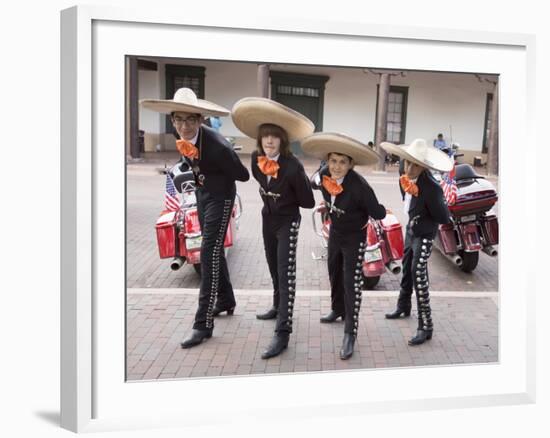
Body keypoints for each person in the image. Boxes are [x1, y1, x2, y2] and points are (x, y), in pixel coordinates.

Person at [141, 88, 250, 348]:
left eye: (190, 120)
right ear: (172, 120)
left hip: (222, 198)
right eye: (179, 120)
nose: (184, 125)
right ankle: (225, 299)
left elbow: (242, 175)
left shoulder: (219, 146)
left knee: (208, 252)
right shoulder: (184, 138)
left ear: (200, 119)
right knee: (211, 250)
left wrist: (218, 167)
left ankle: (202, 324)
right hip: (201, 196)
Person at [231, 97, 316, 359]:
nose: (269, 141)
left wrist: (291, 188)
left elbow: (308, 202)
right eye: (265, 136)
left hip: (288, 221)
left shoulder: (293, 167)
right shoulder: (256, 158)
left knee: (285, 272)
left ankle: (283, 332)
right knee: (272, 266)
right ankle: (277, 306)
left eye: (274, 137)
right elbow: (260, 180)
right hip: (268, 218)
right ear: (260, 140)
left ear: (282, 141)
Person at [302, 133, 386, 360]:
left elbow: (377, 212)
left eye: (342, 162)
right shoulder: (324, 174)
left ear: (351, 164)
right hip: (336, 233)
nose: (336, 167)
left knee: (352, 283)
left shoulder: (360, 187)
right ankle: (337, 309)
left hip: (355, 237)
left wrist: (378, 207)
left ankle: (350, 332)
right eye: (333, 161)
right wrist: (319, 179)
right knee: (333, 271)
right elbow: (311, 182)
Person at [380, 139, 453, 345]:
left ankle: (425, 326)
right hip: (411, 231)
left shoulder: (432, 188)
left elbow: (444, 217)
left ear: (423, 167)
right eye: (407, 163)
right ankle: (403, 307)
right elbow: (408, 201)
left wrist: (425, 215)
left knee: (418, 274)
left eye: (415, 165)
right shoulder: (404, 177)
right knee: (406, 268)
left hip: (425, 234)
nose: (409, 168)